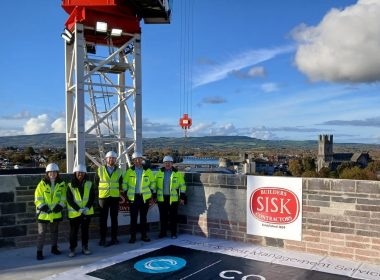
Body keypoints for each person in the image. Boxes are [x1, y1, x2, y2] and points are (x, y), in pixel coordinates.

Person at [34, 163, 66, 260]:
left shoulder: (61, 184)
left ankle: (54, 248)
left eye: (54, 172)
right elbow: (38, 198)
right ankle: (39, 252)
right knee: (41, 233)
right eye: (50, 172)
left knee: (54, 232)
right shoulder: (42, 184)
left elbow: (64, 198)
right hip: (44, 214)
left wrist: (60, 206)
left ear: (57, 173)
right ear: (47, 173)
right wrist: (44, 208)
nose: (52, 174)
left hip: (56, 213)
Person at [123, 152, 155, 243]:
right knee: (133, 218)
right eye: (135, 159)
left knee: (143, 218)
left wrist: (151, 192)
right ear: (133, 161)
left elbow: (153, 183)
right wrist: (126, 192)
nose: (138, 161)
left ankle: (144, 236)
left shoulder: (148, 171)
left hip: (144, 198)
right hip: (133, 198)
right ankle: (132, 237)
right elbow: (124, 183)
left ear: (142, 160)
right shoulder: (129, 171)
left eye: (139, 159)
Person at [94, 151, 123, 247]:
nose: (111, 159)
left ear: (115, 160)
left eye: (113, 158)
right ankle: (102, 239)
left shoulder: (119, 171)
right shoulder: (100, 170)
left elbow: (120, 184)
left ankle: (114, 238)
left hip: (114, 198)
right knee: (103, 220)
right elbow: (96, 183)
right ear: (106, 159)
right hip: (103, 198)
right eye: (110, 158)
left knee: (114, 219)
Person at [66, 164, 95, 257]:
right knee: (73, 232)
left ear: (85, 173)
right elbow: (69, 200)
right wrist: (78, 209)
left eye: (82, 173)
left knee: (85, 231)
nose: (80, 174)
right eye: (78, 173)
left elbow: (92, 197)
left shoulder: (89, 184)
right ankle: (72, 248)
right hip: (75, 213)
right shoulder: (70, 185)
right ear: (75, 173)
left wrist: (87, 207)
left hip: (86, 212)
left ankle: (85, 247)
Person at [155, 155, 186, 239]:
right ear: (163, 164)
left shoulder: (177, 174)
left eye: (169, 163)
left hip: (173, 199)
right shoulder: (159, 173)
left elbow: (182, 186)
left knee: (173, 217)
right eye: (166, 163)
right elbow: (154, 186)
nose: (167, 164)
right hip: (161, 198)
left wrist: (182, 197)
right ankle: (163, 232)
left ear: (172, 163)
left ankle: (173, 233)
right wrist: (154, 197)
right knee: (163, 216)